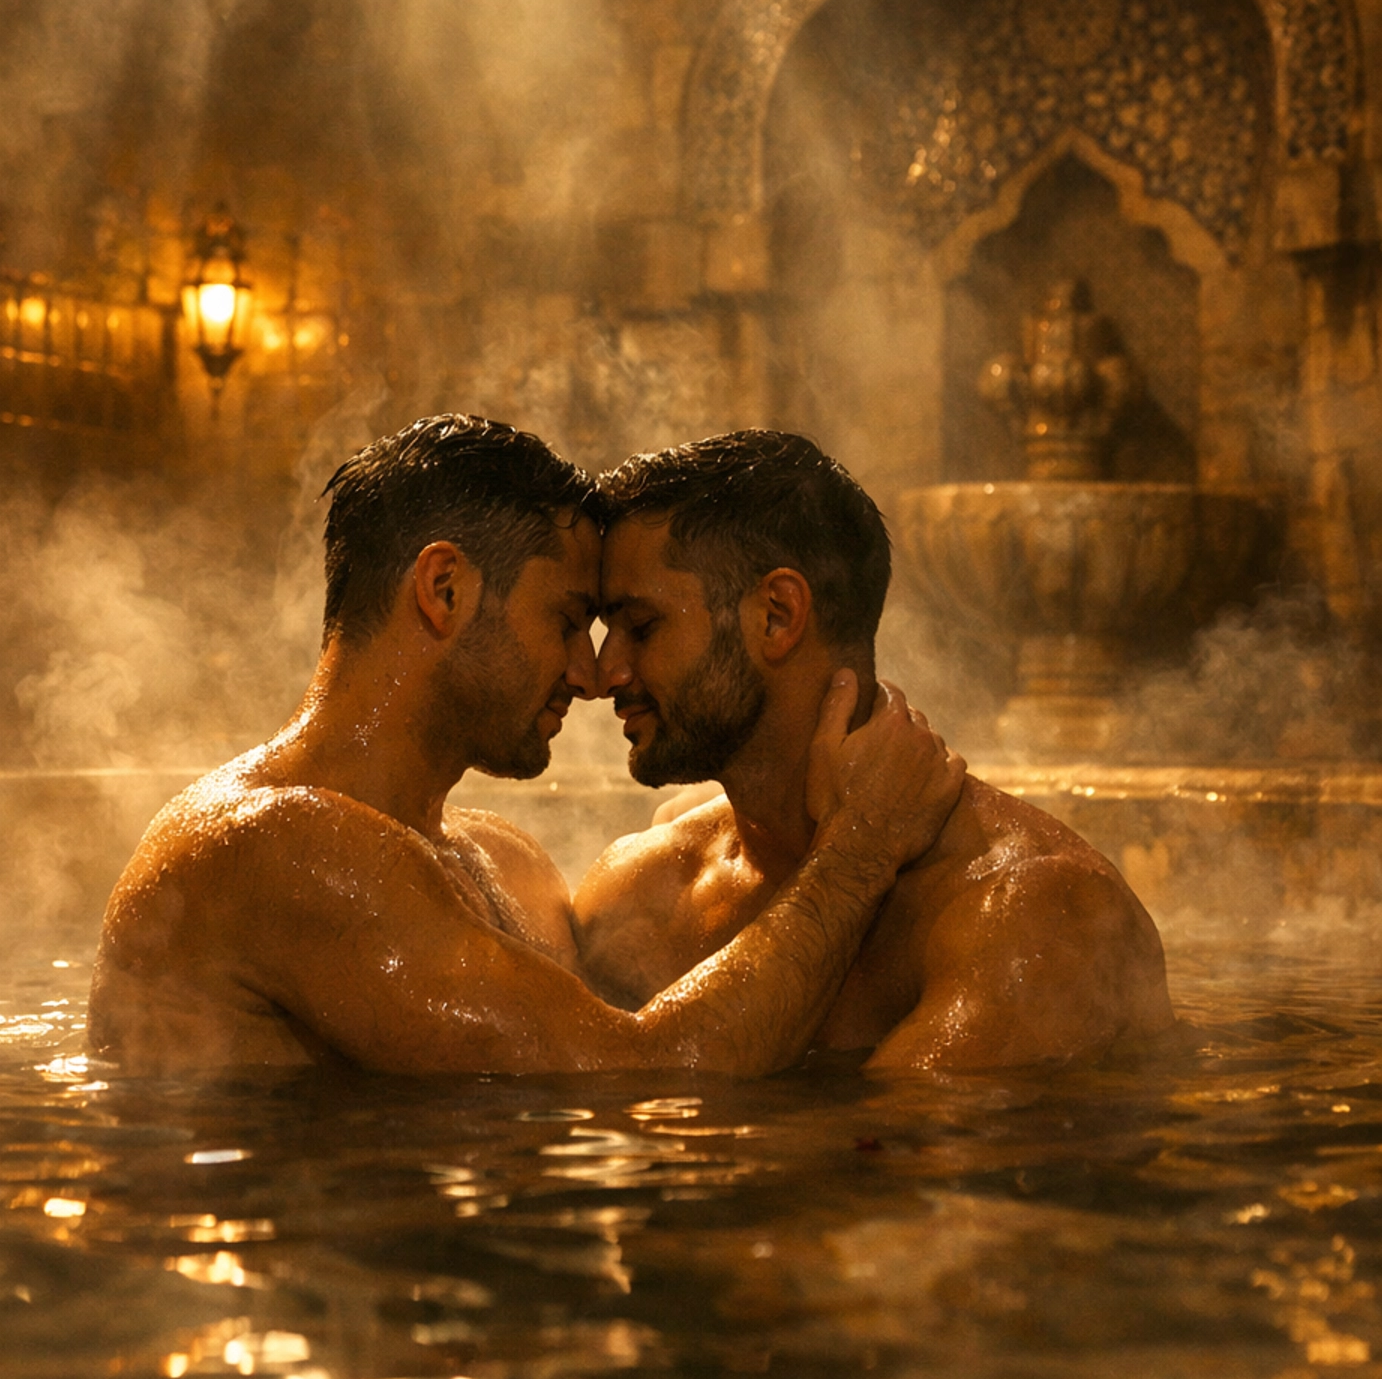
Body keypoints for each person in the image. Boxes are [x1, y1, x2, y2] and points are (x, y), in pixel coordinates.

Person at [89, 415, 966, 1077]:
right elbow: (643, 1080)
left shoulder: (499, 860)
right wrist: (856, 856)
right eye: (567, 622)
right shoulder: (272, 848)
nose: (589, 675)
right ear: (444, 589)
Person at [577, 429, 1174, 1069]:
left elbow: (892, 1157)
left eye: (640, 627)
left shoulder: (1040, 915)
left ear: (776, 616)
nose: (603, 673)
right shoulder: (639, 896)